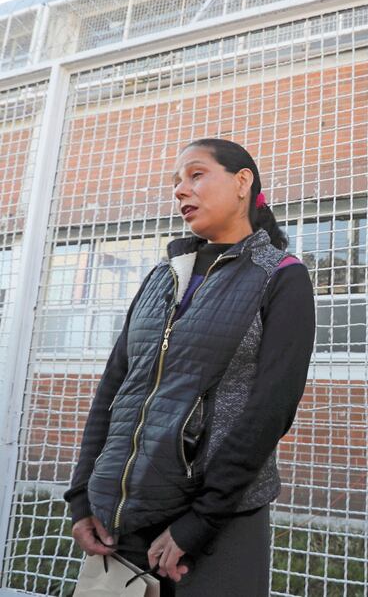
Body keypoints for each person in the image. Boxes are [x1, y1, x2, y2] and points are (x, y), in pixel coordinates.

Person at [65, 138, 315, 596]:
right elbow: (114, 389)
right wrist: (82, 495)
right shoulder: (161, 276)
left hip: (219, 526)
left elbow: (271, 409)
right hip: (122, 523)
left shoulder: (282, 276)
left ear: (242, 182)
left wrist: (200, 520)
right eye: (176, 181)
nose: (180, 190)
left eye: (196, 175)